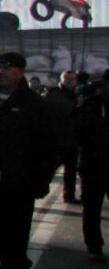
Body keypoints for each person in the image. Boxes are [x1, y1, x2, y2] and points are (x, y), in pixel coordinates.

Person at [0, 50, 56, 269]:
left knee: (17, 228)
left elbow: (49, 145)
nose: (0, 71)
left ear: (20, 71)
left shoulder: (34, 104)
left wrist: (41, 178)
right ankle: (15, 261)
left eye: (6, 67)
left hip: (20, 180)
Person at [75, 76, 107, 263]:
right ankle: (94, 246)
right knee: (91, 208)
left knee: (91, 208)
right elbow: (77, 132)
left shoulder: (89, 106)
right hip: (91, 164)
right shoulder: (87, 108)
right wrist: (81, 106)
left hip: (92, 163)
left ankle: (94, 246)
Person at [42, 69, 81, 205]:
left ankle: (69, 195)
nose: (69, 81)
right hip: (57, 139)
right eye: (67, 78)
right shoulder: (54, 94)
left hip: (72, 139)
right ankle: (39, 187)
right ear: (61, 79)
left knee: (71, 170)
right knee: (49, 168)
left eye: (72, 79)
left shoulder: (76, 94)